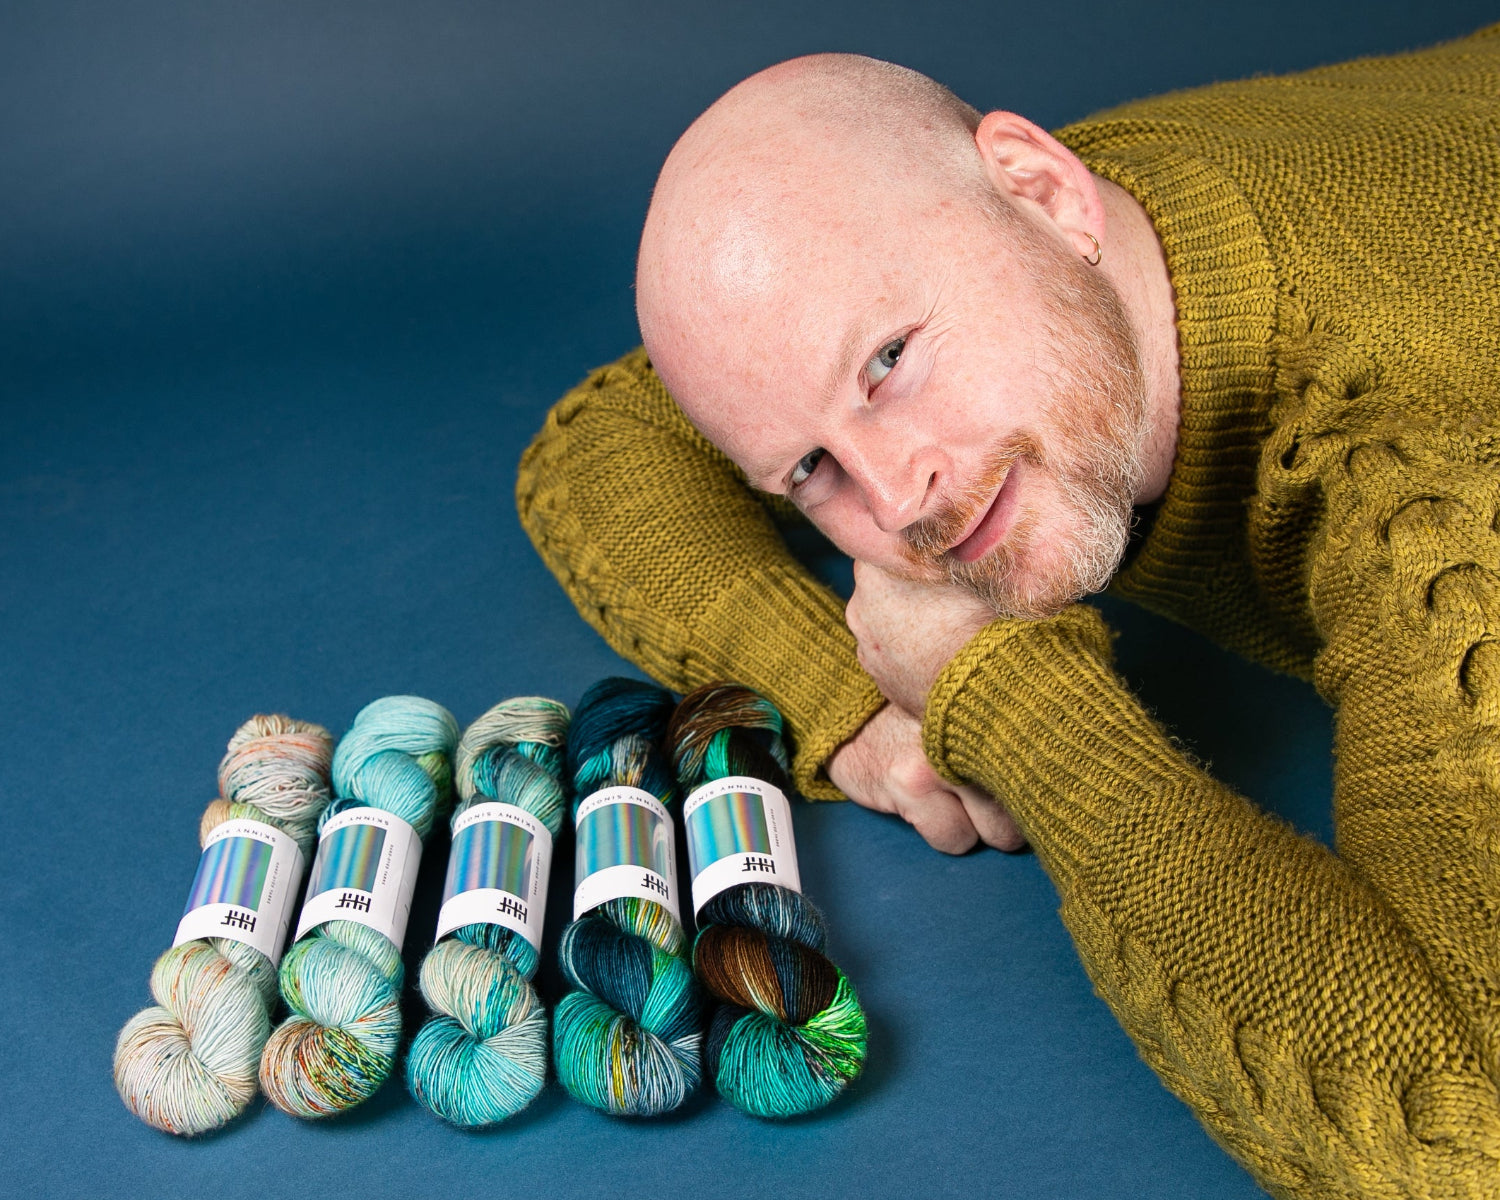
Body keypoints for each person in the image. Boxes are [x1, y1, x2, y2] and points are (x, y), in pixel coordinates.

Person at [517, 27, 1500, 1197]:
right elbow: (600, 445)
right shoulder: (1021, 231)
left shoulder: (1419, 486)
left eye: (888, 364)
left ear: (1046, 188)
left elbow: (1455, 1134)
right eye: (812, 472)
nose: (899, 504)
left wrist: (1009, 696)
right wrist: (856, 712)